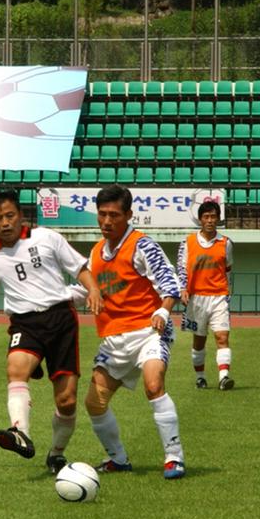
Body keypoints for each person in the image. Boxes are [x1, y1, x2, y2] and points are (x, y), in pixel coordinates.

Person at [0, 190, 102, 474]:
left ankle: (56, 453)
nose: (5, 223)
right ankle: (20, 432)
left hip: (60, 319)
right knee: (15, 369)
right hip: (24, 323)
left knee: (67, 401)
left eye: (9, 215)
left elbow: (79, 267)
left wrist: (94, 289)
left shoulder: (47, 237)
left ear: (21, 215)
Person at [83, 184, 187, 479]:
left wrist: (163, 310)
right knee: (94, 402)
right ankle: (118, 459)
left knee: (153, 385)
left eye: (114, 215)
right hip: (114, 339)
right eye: (102, 214)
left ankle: (174, 458)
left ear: (129, 215)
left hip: (148, 331)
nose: (106, 221)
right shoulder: (96, 252)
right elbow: (89, 291)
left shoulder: (142, 245)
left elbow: (169, 281)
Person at [176, 200, 235, 390]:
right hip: (197, 298)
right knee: (199, 340)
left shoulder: (226, 243)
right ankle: (200, 377)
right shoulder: (188, 242)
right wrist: (183, 289)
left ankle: (223, 377)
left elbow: (228, 270)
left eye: (213, 217)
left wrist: (228, 292)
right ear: (200, 219)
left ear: (218, 219)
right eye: (206, 217)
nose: (210, 220)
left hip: (219, 296)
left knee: (222, 337)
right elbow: (181, 269)